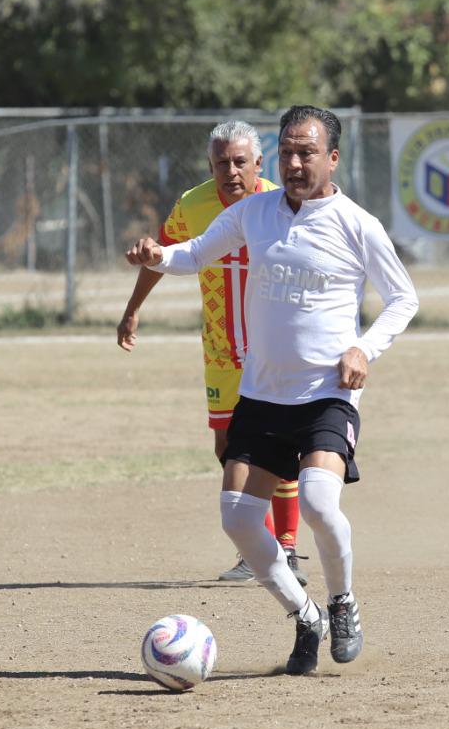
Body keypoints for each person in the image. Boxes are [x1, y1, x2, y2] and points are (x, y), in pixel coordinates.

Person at [126, 105, 419, 675]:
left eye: (306, 152)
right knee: (236, 516)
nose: (293, 161)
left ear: (332, 158)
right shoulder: (254, 212)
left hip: (326, 392)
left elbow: (403, 298)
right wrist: (159, 256)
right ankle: (304, 614)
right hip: (262, 393)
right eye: (286, 151)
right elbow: (195, 253)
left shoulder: (357, 223)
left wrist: (364, 348)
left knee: (316, 502)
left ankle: (341, 602)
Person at [117, 120, 305, 584]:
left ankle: (286, 550)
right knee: (227, 447)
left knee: (278, 448)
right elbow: (164, 253)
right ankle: (254, 550)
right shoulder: (193, 205)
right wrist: (133, 309)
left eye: (240, 161)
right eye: (222, 162)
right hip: (221, 350)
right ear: (210, 165)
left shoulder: (282, 205)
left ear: (259, 164)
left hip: (270, 348)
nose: (231, 170)